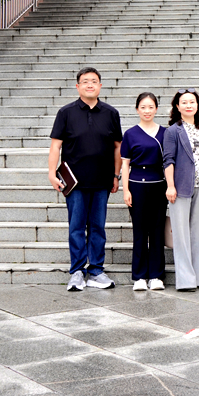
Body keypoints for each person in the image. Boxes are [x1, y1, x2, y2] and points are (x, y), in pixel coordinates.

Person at [48, 67, 122, 292]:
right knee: (76, 227)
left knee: (98, 227)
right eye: (85, 81)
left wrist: (116, 175)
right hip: (74, 183)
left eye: (94, 81)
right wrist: (51, 173)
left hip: (102, 181)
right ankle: (77, 271)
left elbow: (117, 147)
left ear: (100, 85)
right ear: (77, 86)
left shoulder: (111, 113)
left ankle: (96, 271)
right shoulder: (66, 112)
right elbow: (55, 146)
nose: (90, 84)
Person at [163, 88, 199, 291]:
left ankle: (198, 278)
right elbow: (168, 160)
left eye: (192, 102)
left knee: (198, 234)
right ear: (177, 106)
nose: (188, 105)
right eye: (184, 102)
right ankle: (185, 281)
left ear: (198, 105)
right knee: (181, 235)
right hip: (180, 187)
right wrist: (170, 186)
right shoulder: (172, 131)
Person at [121, 92, 168, 291]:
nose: (147, 111)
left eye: (150, 107)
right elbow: (125, 164)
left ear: (156, 109)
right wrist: (126, 190)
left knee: (157, 231)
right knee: (139, 231)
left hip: (159, 185)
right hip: (137, 186)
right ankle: (139, 276)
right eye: (143, 107)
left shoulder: (165, 133)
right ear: (137, 109)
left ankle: (156, 276)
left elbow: (169, 162)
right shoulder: (130, 134)